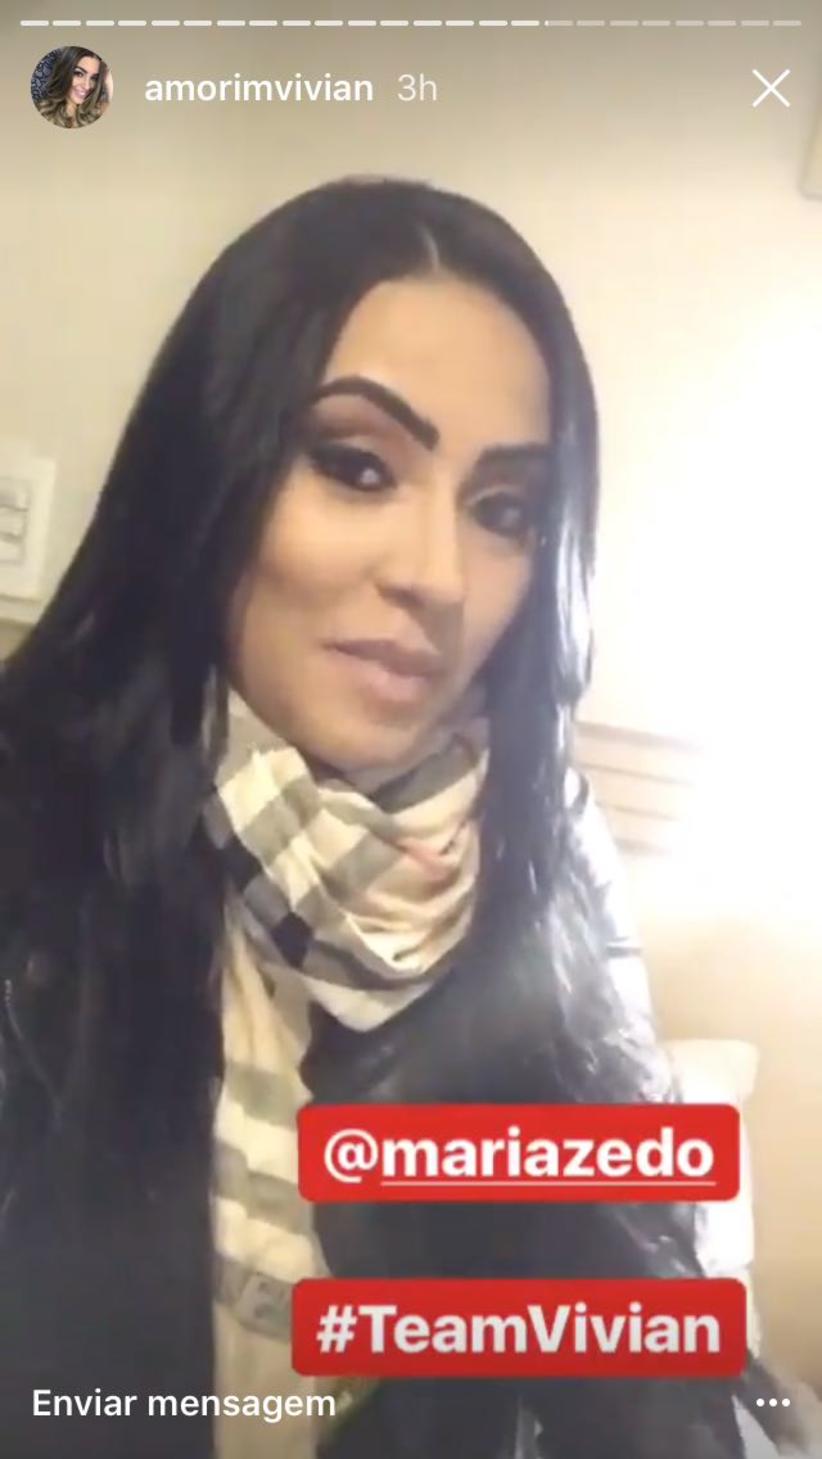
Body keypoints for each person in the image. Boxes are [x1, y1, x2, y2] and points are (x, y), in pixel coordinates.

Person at [0, 176, 809, 1459]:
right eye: (356, 466)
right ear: (210, 472)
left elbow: (641, 1321)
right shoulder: (34, 815)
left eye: (505, 511)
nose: (438, 575)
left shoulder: (544, 856)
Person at [34, 46, 109, 129]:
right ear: (64, 73)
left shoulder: (100, 110)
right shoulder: (40, 111)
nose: (87, 86)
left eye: (94, 78)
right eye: (79, 74)